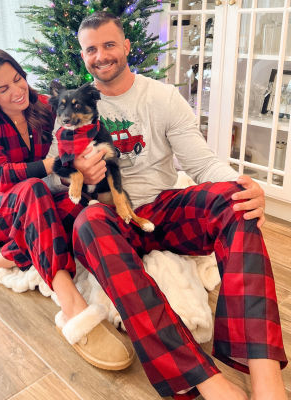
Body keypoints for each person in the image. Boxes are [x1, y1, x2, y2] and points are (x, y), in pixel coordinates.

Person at [46, 12, 287, 400]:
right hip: (109, 217)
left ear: (126, 46)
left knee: (235, 200)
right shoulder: (68, 112)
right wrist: (73, 172)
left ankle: (265, 372)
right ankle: (205, 379)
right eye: (91, 49)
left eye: (109, 44)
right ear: (82, 55)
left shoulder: (161, 97)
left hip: (162, 208)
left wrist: (240, 184)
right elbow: (53, 180)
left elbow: (202, 163)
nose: (101, 55)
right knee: (87, 222)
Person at [0, 48, 135, 371]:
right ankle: (72, 305)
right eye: (4, 88)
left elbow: (79, 137)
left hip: (41, 208)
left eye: (18, 79)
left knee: (81, 207)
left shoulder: (44, 106)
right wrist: (55, 164)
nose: (17, 90)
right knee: (35, 186)